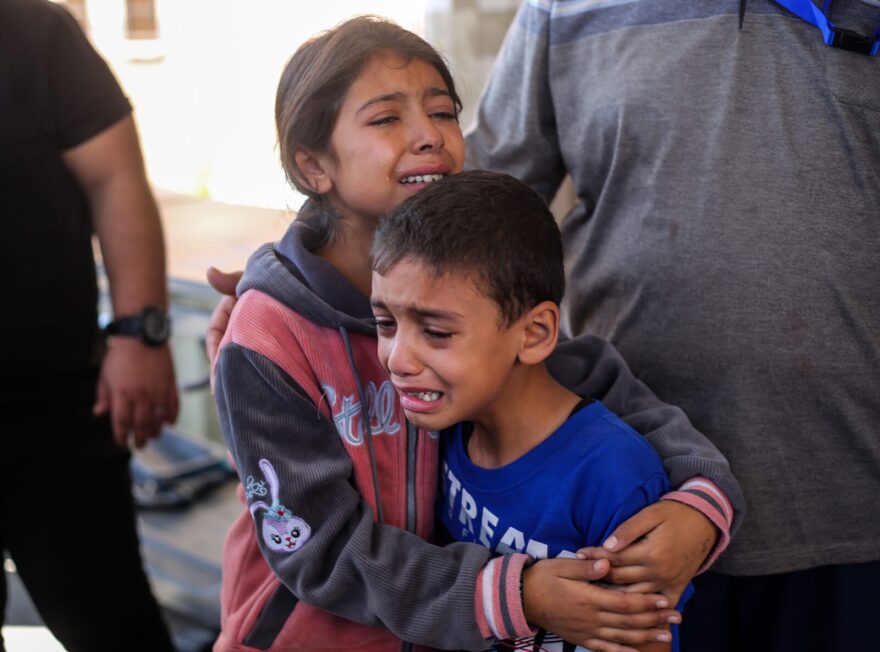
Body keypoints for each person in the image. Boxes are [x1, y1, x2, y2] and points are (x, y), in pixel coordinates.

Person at [211, 15, 741, 652]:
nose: (429, 136)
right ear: (313, 164)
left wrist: (699, 504)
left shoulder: (467, 280)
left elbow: (593, 386)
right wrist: (518, 594)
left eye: (442, 112)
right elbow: (317, 549)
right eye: (386, 120)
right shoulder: (269, 337)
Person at [464, 0, 880, 650]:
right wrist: (291, 287)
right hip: (623, 516)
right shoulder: (561, 9)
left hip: (852, 512)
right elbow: (462, 221)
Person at [370, 169, 698, 652]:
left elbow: (640, 636)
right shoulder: (446, 433)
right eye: (384, 322)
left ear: (536, 333)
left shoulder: (613, 474)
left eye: (436, 332)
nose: (397, 359)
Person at [0, 1, 179, 651]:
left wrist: (141, 332)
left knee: (112, 625)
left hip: (54, 408)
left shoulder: (33, 30)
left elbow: (116, 179)